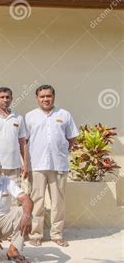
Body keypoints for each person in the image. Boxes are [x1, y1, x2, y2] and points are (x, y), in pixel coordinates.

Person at [26, 84, 78, 247]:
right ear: (37, 98)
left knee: (58, 202)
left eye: (48, 96)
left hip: (58, 165)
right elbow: (24, 141)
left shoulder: (65, 115)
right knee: (37, 201)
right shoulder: (30, 116)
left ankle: (57, 234)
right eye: (42, 96)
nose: (45, 99)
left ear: (53, 97)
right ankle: (35, 234)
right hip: (37, 165)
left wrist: (61, 151)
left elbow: (72, 138)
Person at [0, 87, 27, 186]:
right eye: (2, 97)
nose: (5, 100)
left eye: (7, 97)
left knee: (14, 199)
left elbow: (23, 143)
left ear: (11, 98)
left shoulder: (18, 117)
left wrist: (25, 164)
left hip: (14, 166)